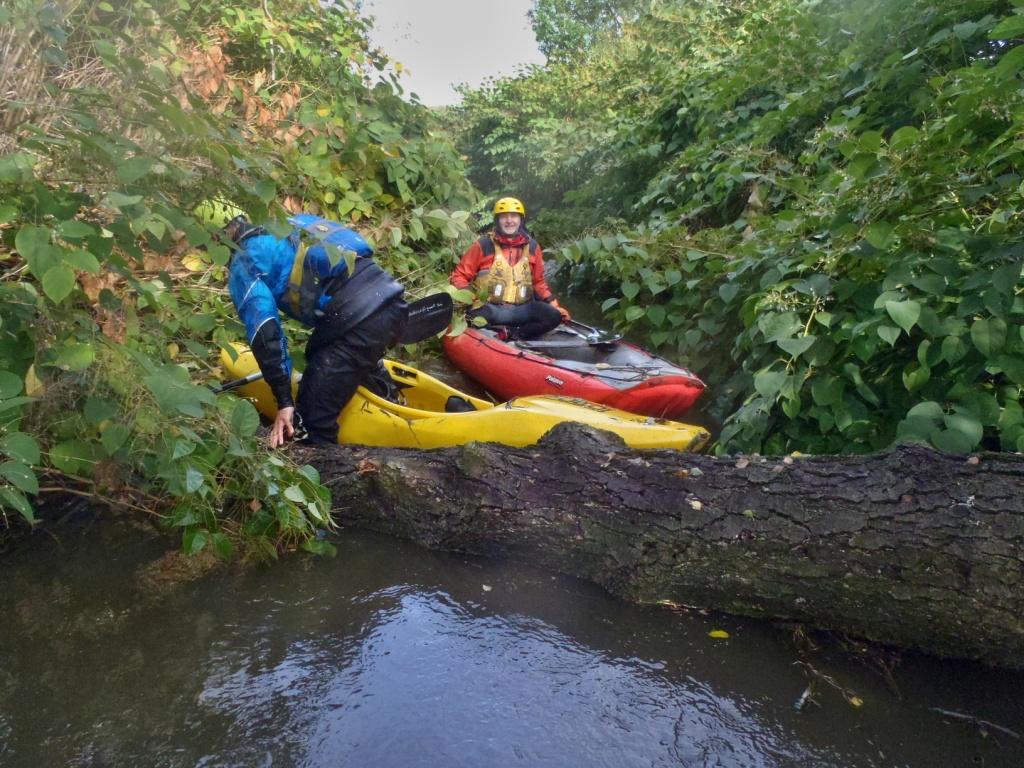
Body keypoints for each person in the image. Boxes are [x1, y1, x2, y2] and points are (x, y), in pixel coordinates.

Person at [198, 202, 408, 447]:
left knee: (310, 422)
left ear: (217, 236)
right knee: (326, 350)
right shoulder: (292, 222)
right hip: (393, 303)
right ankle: (381, 383)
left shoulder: (245, 263)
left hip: (357, 323)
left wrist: (285, 402)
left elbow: (265, 334)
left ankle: (332, 471)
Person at [450, 197, 569, 340]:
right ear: (497, 220)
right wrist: (470, 297)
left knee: (553, 316)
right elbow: (459, 276)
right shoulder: (484, 245)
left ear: (521, 220)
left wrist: (555, 305)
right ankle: (491, 332)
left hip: (522, 309)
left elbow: (538, 283)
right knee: (474, 314)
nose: (509, 220)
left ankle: (514, 335)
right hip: (490, 309)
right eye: (504, 217)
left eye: (514, 216)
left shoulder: (533, 247)